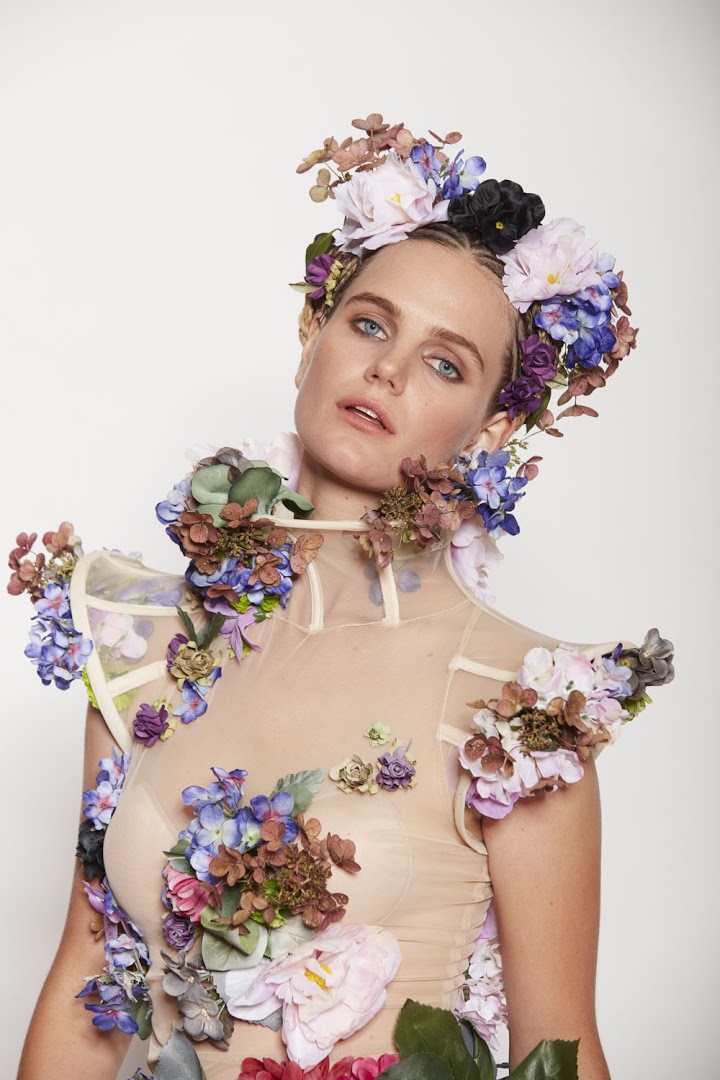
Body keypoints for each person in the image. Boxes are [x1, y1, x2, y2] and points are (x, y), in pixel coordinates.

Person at [11, 114, 674, 1080]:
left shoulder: (524, 713)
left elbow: (558, 1049)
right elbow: (86, 988)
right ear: (310, 342)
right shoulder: (142, 646)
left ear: (491, 434)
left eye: (445, 363)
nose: (387, 370)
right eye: (369, 324)